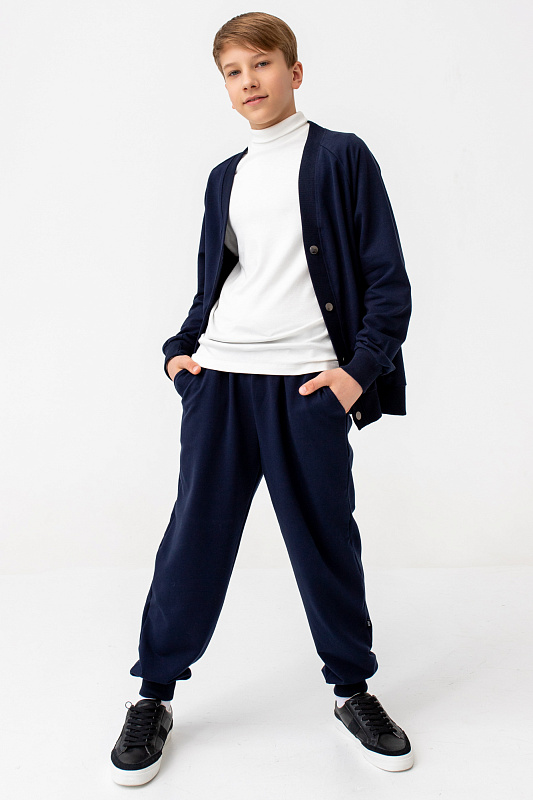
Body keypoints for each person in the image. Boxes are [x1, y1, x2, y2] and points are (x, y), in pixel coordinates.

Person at [110, 11, 413, 786]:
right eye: (232, 72)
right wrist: (180, 353)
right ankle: (152, 695)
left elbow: (387, 281)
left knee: (324, 544)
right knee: (193, 541)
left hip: (307, 387)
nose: (248, 82)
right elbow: (213, 284)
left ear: (293, 72)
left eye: (261, 64)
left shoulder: (341, 157)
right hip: (218, 383)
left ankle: (351, 691)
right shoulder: (225, 177)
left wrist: (357, 372)